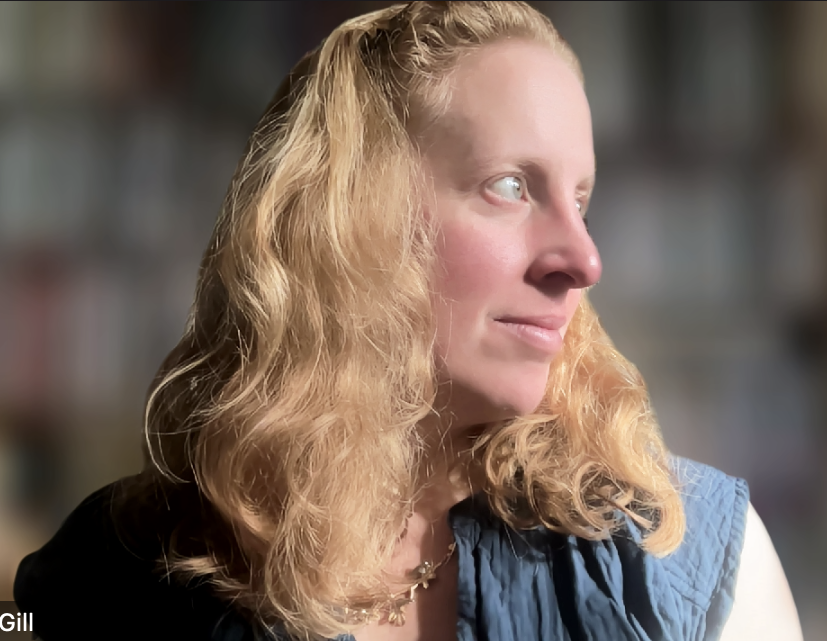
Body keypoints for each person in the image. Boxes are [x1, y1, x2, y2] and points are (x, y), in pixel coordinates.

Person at [14, 3, 802, 641]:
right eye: (508, 187)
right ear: (349, 221)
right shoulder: (115, 572)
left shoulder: (687, 557)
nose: (582, 259)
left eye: (580, 198)